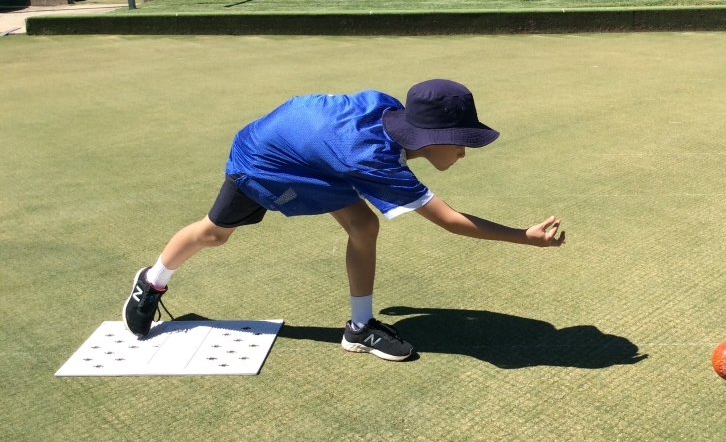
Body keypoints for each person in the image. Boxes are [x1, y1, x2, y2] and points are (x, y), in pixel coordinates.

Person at [121, 79, 566, 362]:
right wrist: (525, 238)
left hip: (322, 157)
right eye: (458, 142)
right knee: (214, 234)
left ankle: (359, 329)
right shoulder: (373, 158)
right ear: (429, 139)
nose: (463, 151)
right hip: (265, 158)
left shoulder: (390, 114)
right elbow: (449, 220)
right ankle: (152, 280)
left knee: (364, 226)